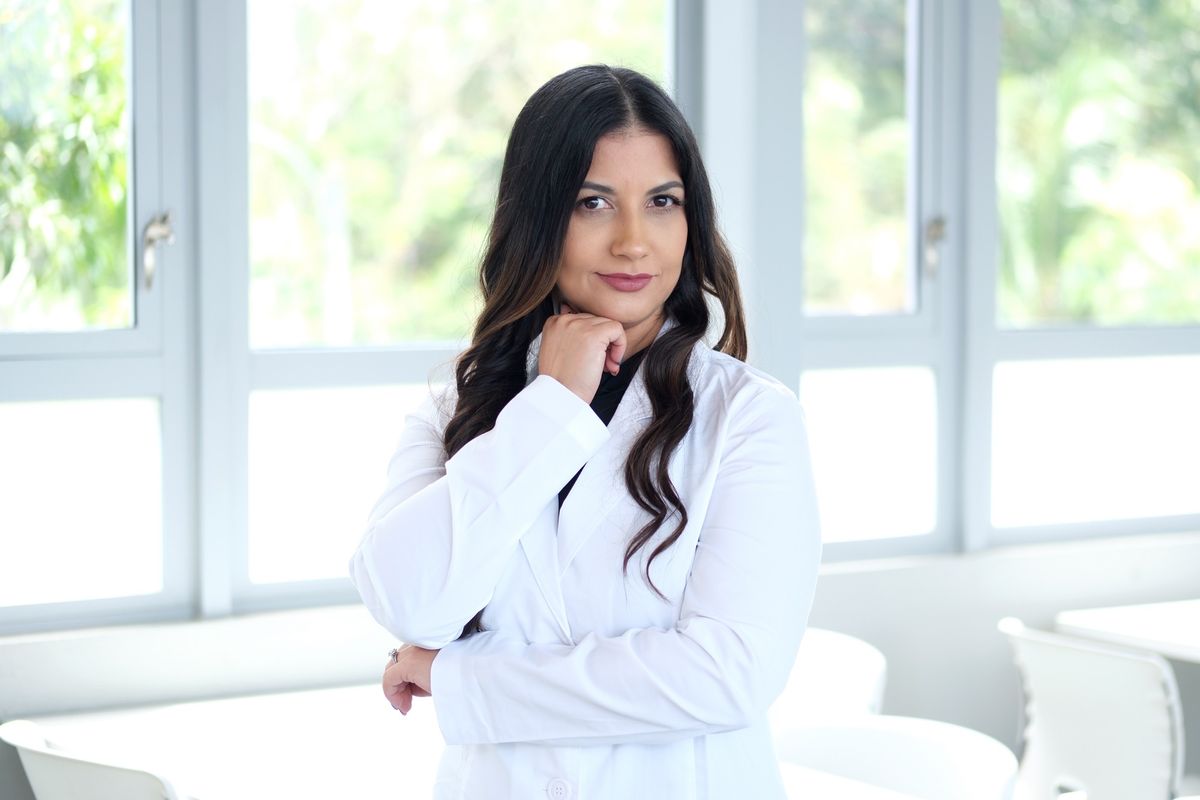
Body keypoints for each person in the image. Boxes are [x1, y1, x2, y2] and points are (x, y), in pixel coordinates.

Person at [348, 64, 821, 799]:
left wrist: (465, 678)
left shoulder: (750, 417)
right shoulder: (457, 405)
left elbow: (725, 677)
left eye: (662, 201)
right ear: (537, 218)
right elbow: (410, 602)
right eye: (594, 202)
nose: (635, 242)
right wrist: (552, 408)